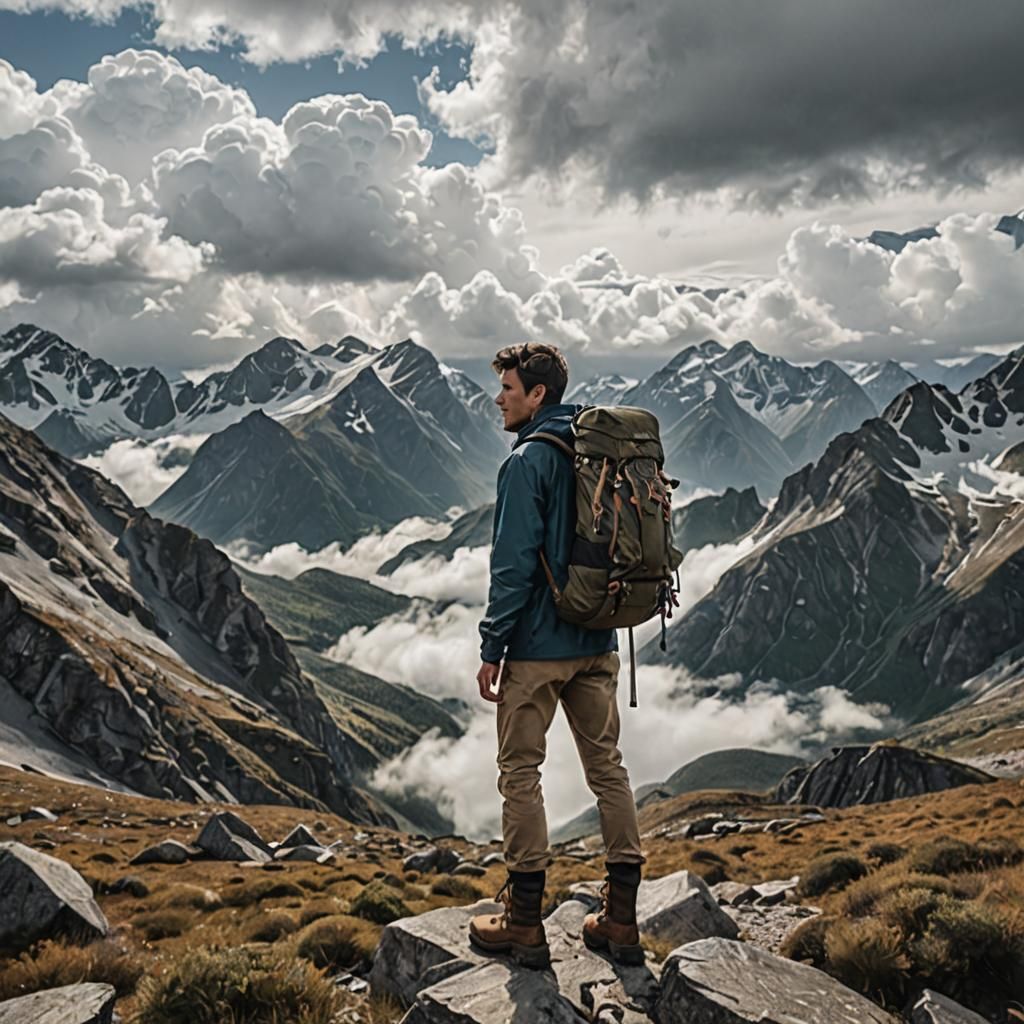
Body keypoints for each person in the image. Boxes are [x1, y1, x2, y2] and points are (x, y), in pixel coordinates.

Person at [468, 341, 647, 970]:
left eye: (509, 389)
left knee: (521, 774)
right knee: (609, 770)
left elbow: (513, 565)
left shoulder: (528, 463)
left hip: (539, 649)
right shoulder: (599, 450)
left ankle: (523, 923)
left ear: (537, 394)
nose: (500, 399)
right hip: (598, 639)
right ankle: (621, 920)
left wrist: (494, 645)